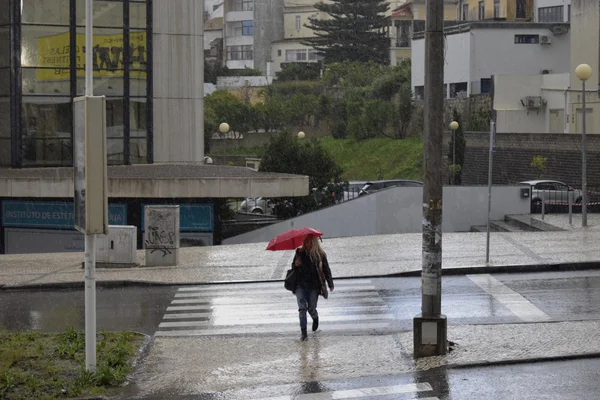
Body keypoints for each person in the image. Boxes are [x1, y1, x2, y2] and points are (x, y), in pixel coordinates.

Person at [292, 235, 334, 341]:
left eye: (310, 242)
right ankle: (304, 333)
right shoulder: (299, 252)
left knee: (311, 308)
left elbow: (326, 269)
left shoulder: (320, 255)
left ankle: (315, 318)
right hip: (300, 285)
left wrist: (330, 283)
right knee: (302, 309)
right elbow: (293, 267)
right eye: (305, 242)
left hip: (314, 286)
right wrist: (295, 265)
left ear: (314, 243)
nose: (307, 244)